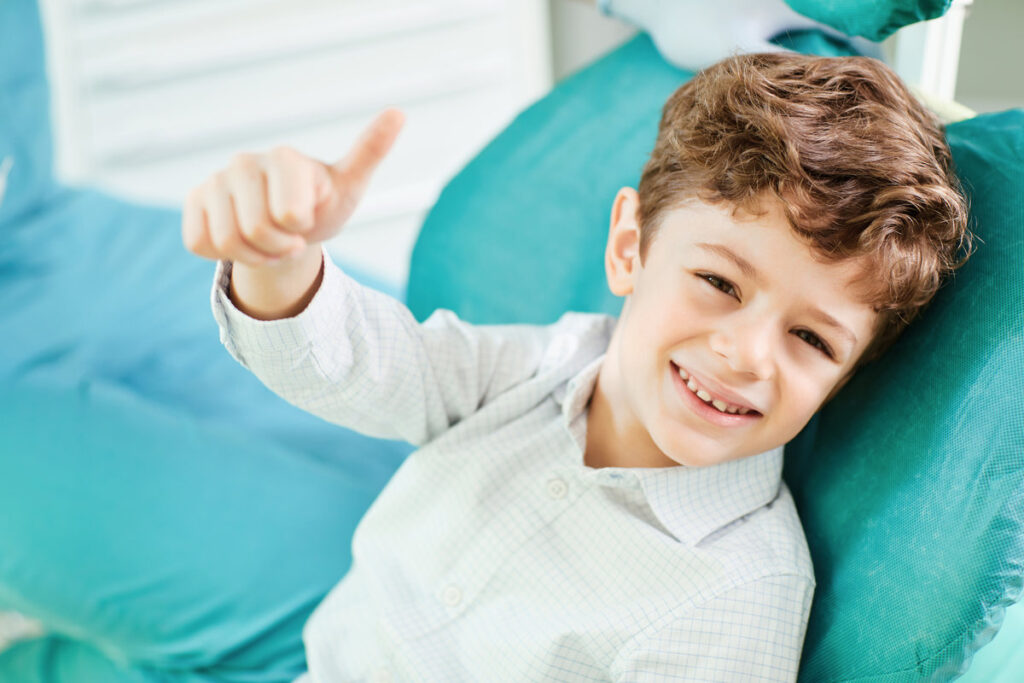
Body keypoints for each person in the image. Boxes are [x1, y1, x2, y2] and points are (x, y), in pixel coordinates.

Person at [183, 51, 972, 681]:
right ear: (630, 247)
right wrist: (279, 262)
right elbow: (366, 363)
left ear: (846, 375)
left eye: (813, 340)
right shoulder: (546, 363)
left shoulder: (736, 599)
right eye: (719, 283)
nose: (745, 353)